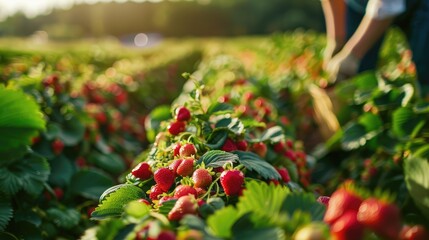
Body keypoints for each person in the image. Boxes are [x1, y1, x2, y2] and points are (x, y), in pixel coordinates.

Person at [321, 0, 429, 95]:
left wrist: (353, 54)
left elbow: (388, 5)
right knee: (358, 76)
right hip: (361, 4)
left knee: (424, 68)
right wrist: (337, 41)